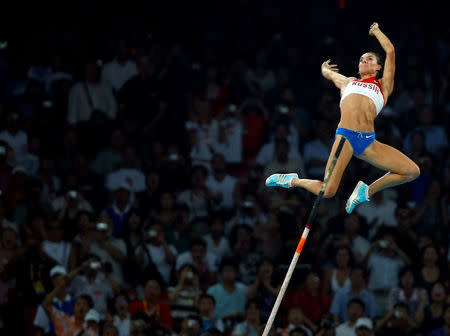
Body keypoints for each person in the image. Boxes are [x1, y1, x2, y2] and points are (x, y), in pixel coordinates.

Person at [265, 22, 420, 214]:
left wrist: (376, 31)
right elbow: (329, 74)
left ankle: (366, 191)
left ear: (378, 67)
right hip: (345, 136)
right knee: (327, 191)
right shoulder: (348, 82)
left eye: (369, 59)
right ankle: (292, 180)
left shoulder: (383, 86)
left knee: (412, 171)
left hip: (368, 141)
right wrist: (324, 69)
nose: (363, 60)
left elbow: (390, 51)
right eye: (361, 59)